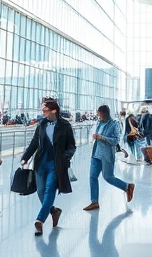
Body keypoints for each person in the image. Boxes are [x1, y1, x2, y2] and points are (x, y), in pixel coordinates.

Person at [21, 99, 76, 236]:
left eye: (45, 110)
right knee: (40, 191)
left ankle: (39, 221)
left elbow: (72, 146)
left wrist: (65, 157)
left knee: (49, 190)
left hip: (56, 163)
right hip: (41, 162)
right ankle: (54, 211)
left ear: (54, 110)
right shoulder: (42, 124)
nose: (42, 112)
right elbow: (34, 143)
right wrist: (25, 157)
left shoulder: (65, 125)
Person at [84, 105, 135, 211]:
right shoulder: (98, 123)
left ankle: (127, 187)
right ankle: (94, 201)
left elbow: (116, 140)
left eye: (100, 114)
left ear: (105, 114)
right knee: (92, 176)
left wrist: (103, 137)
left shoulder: (113, 124)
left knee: (108, 177)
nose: (98, 116)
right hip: (96, 154)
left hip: (106, 155)